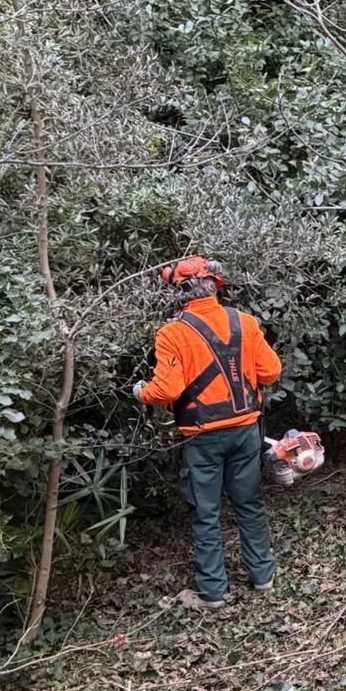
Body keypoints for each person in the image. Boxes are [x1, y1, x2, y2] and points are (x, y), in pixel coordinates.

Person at [135, 256, 281, 609]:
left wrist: (141, 391)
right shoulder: (244, 322)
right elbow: (271, 371)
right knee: (248, 503)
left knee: (205, 512)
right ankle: (262, 577)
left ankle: (214, 592)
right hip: (246, 429)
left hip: (203, 438)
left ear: (179, 293)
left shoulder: (172, 333)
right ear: (215, 285)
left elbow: (166, 392)